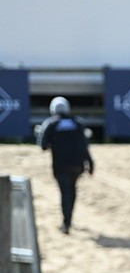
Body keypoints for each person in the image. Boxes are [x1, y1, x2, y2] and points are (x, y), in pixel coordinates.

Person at [38, 96, 94, 234]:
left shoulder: (50, 124)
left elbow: (43, 146)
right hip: (77, 165)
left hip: (60, 165)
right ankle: (69, 219)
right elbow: (84, 145)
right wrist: (90, 163)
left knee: (65, 192)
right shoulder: (77, 123)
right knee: (72, 189)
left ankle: (66, 222)